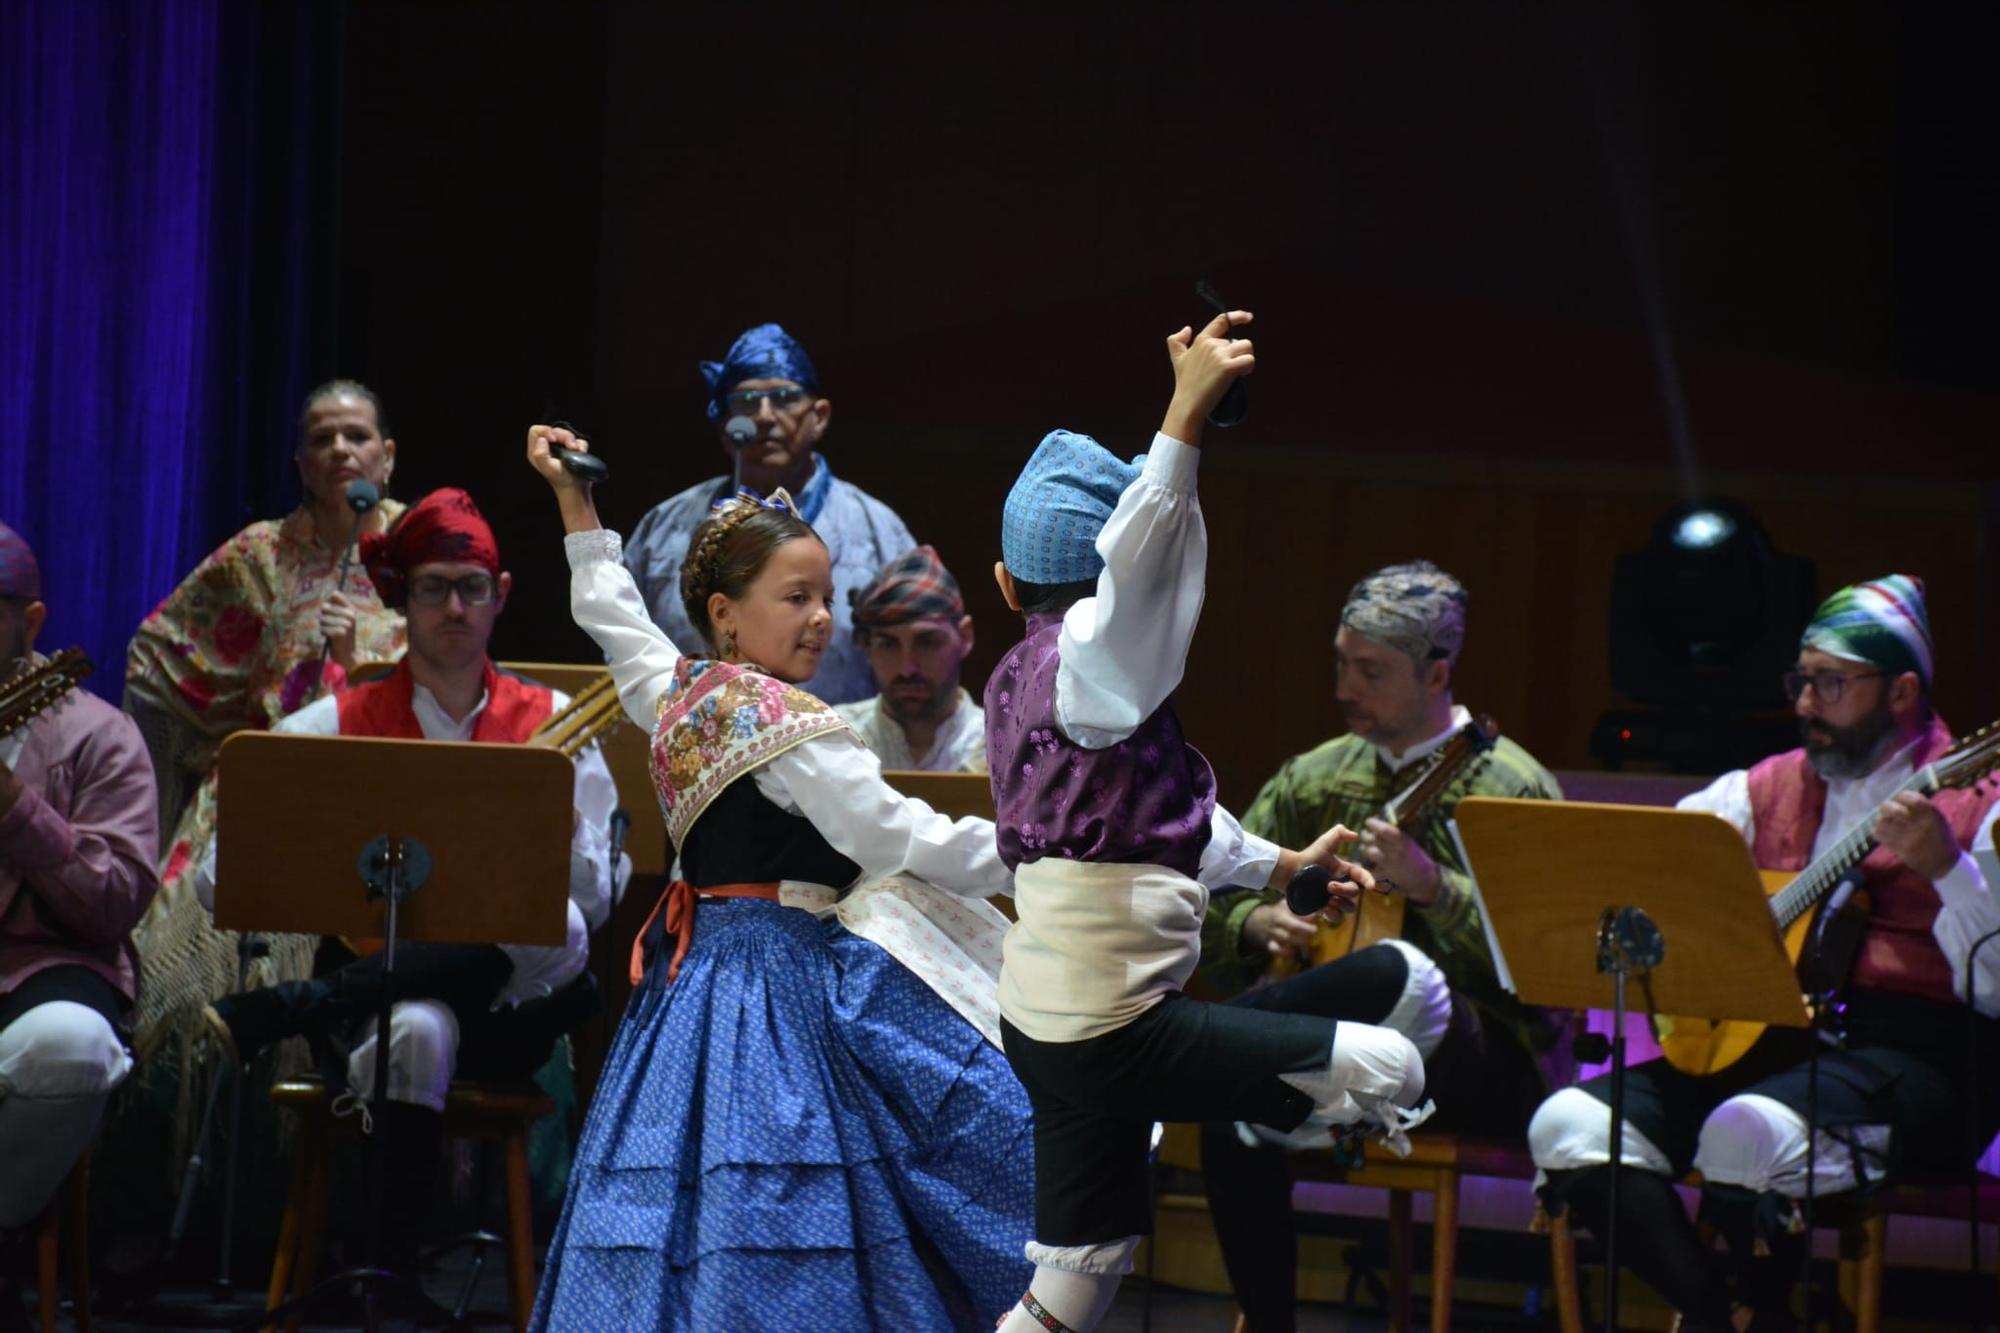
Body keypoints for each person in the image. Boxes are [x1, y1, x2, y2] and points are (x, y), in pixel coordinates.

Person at [525, 424, 1033, 1330]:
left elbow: (612, 613)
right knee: (804, 1184)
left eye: (826, 597)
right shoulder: (783, 723)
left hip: (691, 987)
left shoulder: (679, 692)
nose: (822, 617)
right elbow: (896, 834)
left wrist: (576, 502)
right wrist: (1034, 847)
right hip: (777, 987)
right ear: (726, 613)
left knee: (686, 1189)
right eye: (796, 597)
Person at [985, 314, 1431, 1333]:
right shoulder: (1093, 666)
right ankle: (1268, 1122)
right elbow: (1136, 585)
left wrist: (1279, 866)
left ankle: (1259, 1110)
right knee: (1394, 1066)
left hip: (1044, 1026)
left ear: (1005, 585)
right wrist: (1181, 420)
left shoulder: (1017, 680)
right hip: (1113, 1027)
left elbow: (1155, 821)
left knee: (1075, 1280)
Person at [1528, 575, 2000, 1331]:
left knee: (1744, 1128)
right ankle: (1719, 1316)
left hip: (1919, 1062)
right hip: (1775, 1047)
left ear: (1903, 691)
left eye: (1830, 683)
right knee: (1570, 1123)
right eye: (1800, 681)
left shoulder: (1979, 802)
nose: (1805, 703)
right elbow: (1668, 874)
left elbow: (1997, 987)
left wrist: (1948, 869)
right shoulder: (1764, 788)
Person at [195, 488, 616, 1279]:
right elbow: (219, 880)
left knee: (561, 923)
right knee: (416, 1028)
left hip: (506, 1016)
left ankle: (309, 1000)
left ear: (501, 595)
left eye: (472, 586)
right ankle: (393, 1278)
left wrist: (554, 832)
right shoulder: (338, 723)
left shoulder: (555, 722)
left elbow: (596, 904)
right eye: (433, 587)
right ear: (401, 598)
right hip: (382, 1008)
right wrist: (314, 857)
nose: (455, 606)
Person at [1196, 560, 1567, 1331]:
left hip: (1481, 1066)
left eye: (1370, 671)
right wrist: (1256, 925)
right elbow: (1205, 901)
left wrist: (1434, 888)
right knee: (1230, 1116)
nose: (1345, 687)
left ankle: (1217, 1038)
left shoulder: (1512, 787)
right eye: (1341, 664)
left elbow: (1550, 969)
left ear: (1436, 674)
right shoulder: (1314, 779)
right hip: (1344, 1056)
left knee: (1393, 969)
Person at [124, 380, 408, 1065]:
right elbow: (157, 657)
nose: (340, 450)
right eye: (321, 439)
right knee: (176, 989)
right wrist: (195, 760)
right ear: (301, 464)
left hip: (386, 793)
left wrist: (356, 663)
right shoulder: (261, 553)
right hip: (263, 786)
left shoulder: (423, 550)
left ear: (388, 456)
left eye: (357, 436)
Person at [0, 521, 160, 1329]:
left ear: (30, 624)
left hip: (38, 970)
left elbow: (115, 897)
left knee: (71, 1044)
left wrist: (13, 806)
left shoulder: (99, 735)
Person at [622, 323, 916, 704]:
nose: (764, 416)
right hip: (694, 735)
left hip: (836, 736)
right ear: (725, 425)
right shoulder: (664, 527)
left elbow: (915, 660)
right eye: (746, 401)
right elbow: (626, 645)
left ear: (819, 416)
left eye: (784, 398)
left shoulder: (878, 531)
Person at [833, 544, 986, 772]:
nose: (907, 668)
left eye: (927, 643)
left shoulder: (1004, 745)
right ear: (867, 646)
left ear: (965, 637)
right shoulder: (836, 741)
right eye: (888, 645)